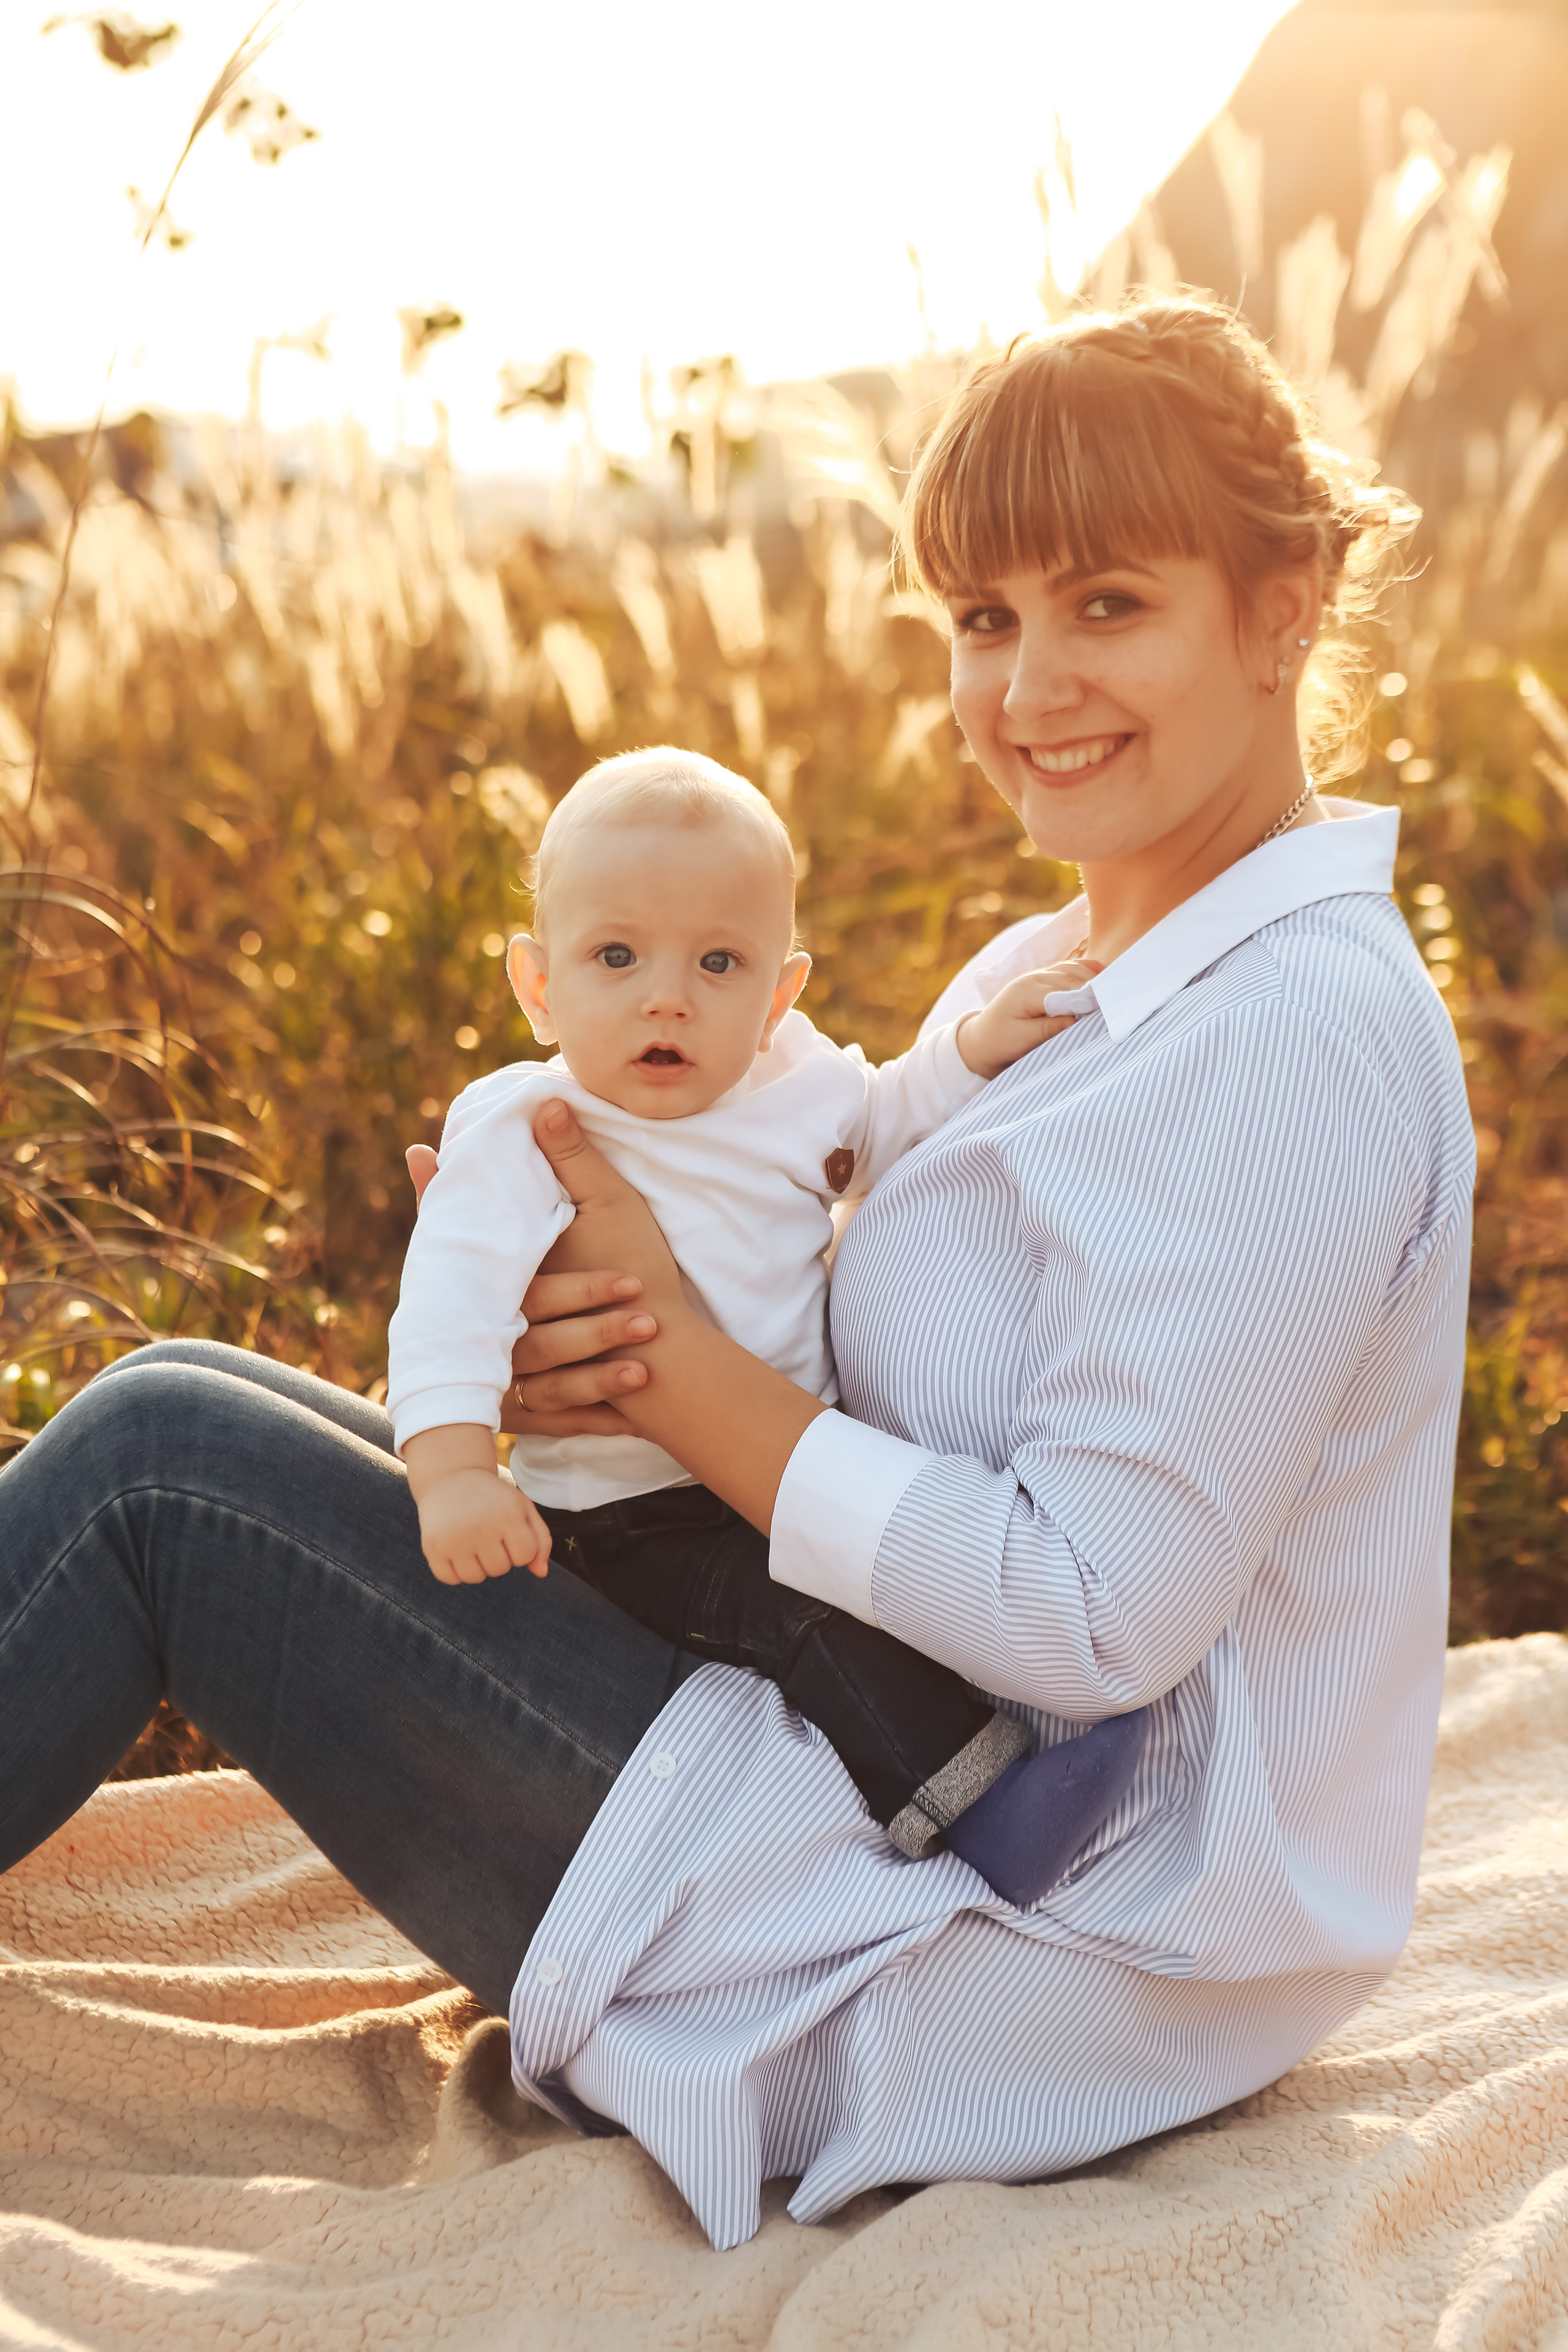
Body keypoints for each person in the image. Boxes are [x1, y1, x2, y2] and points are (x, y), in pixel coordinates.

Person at [0, 294, 1471, 2256]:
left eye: (1107, 603)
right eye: (982, 619)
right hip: (834, 1756)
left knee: (164, 1475)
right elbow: (855, 1315)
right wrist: (590, 1334)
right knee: (186, 1399)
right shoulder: (1073, 975)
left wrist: (679, 1375)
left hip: (983, 1945)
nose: (1027, 686)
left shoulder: (1291, 1034)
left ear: (1286, 608)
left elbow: (1096, 1613)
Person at [388, 742, 1135, 1898]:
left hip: (773, 1462)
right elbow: (451, 1296)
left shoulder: (794, 1088)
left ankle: (863, 1805)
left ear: (780, 994)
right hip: (630, 1513)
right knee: (805, 1619)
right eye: (616, 955)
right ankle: (980, 1809)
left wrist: (980, 1044)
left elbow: (884, 1118)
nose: (667, 996)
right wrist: (450, 1471)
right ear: (538, 986)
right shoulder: (528, 1125)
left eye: (718, 962)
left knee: (867, 1586)